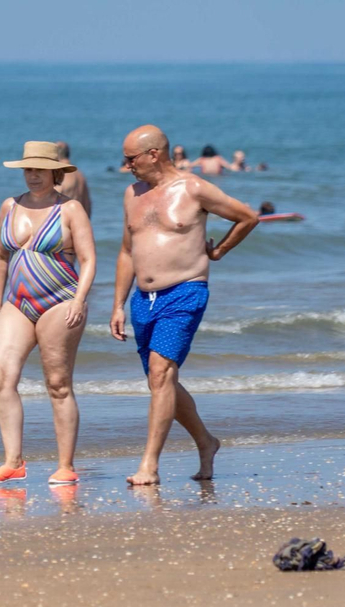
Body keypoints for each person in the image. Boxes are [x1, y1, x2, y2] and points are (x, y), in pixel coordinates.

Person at [109, 126, 259, 486]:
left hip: (185, 292)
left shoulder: (193, 188)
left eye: (131, 159)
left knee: (161, 373)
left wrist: (219, 251)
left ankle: (149, 466)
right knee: (161, 382)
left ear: (154, 154)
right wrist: (117, 305)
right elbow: (127, 251)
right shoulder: (132, 194)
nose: (126, 165)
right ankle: (207, 443)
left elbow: (247, 216)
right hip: (143, 300)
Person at [0, 142, 97, 486]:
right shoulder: (9, 206)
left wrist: (79, 300)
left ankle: (65, 465)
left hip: (60, 299)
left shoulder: (70, 209)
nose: (32, 176)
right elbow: (0, 257)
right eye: (27, 170)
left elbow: (89, 259)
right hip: (17, 303)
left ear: (54, 172)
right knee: (2, 377)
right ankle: (12, 461)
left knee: (58, 384)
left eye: (39, 170)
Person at [52, 141, 92, 216]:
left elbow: (51, 202)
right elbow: (88, 203)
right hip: (80, 221)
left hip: (65, 222)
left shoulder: (61, 174)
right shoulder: (80, 175)